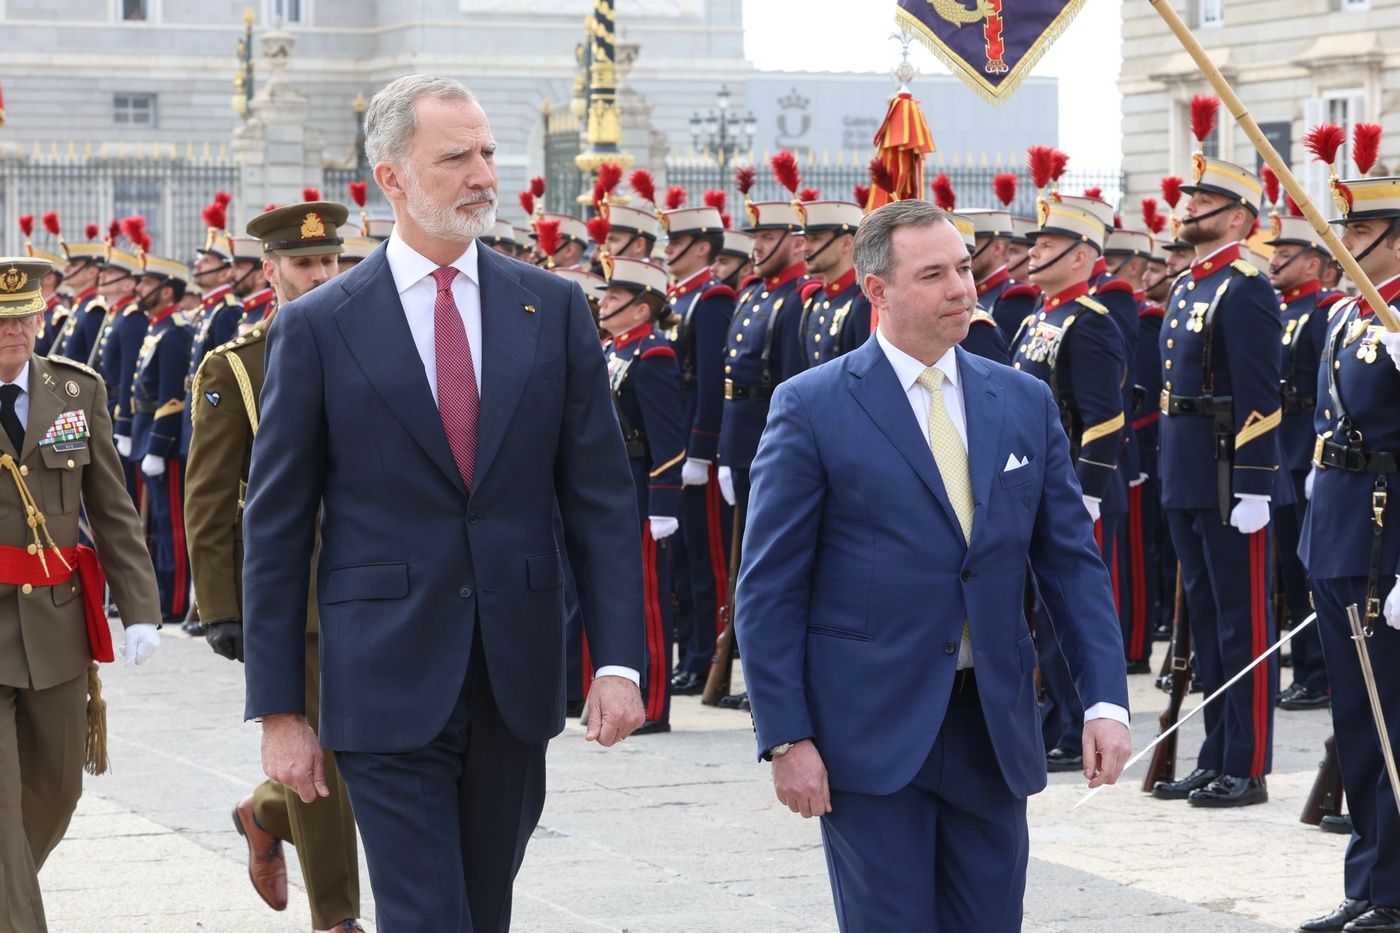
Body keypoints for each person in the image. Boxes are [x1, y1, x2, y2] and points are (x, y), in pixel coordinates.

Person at [241, 74, 646, 932]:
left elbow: (600, 498)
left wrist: (618, 659)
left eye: (489, 153)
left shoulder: (555, 308)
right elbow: (275, 526)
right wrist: (281, 709)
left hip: (516, 674)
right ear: (391, 178)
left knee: (484, 908)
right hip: (383, 679)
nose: (483, 175)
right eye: (455, 157)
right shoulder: (319, 325)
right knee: (427, 914)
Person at [734, 200, 1129, 932]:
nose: (962, 288)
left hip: (993, 727)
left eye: (966, 267)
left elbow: (1071, 565)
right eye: (935, 273)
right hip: (868, 733)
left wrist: (1104, 700)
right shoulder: (813, 406)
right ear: (877, 291)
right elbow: (768, 589)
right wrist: (787, 736)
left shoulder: (1020, 399)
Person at [185, 202, 364, 933]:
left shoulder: (378, 341)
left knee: (375, 749)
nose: (320, 275)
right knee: (320, 759)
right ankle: (338, 918)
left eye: (328, 261)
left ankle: (263, 809)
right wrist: (222, 604)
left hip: (389, 579)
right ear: (272, 271)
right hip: (303, 593)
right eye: (303, 263)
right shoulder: (237, 366)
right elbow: (209, 493)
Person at [0, 256, 162, 933]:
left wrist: (143, 608)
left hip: (58, 626)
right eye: (0, 320)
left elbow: (113, 508)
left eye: (22, 317)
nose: (12, 331)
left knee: (58, 788)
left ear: (41, 317)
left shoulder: (75, 391)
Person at [1153, 135, 1286, 808]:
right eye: (1191, 197)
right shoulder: (1192, 284)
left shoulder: (1246, 289)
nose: (1191, 206)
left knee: (1244, 622)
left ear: (1238, 216)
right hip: (1187, 470)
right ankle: (1215, 751)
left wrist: (1256, 484)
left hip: (1232, 476)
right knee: (1204, 622)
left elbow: (1264, 394)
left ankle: (1249, 760)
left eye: (1205, 199)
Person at [1297, 140, 1400, 933]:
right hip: (1336, 532)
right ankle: (1368, 878)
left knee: (1393, 715)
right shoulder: (1350, 310)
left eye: (1354, 230)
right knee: (1356, 722)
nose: (1338, 241)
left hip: (1385, 538)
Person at [1010, 198, 1128, 772]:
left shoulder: (1089, 321)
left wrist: (1087, 491)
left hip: (1071, 489)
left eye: (1047, 245)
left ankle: (1071, 720)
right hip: (1031, 487)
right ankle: (1053, 716)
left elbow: (1105, 417)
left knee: (1068, 612)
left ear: (1081, 255)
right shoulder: (1039, 318)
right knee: (1039, 611)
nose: (1033, 251)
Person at [597, 255, 685, 732]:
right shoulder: (617, 351)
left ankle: (654, 702)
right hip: (618, 487)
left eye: (613, 297)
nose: (604, 303)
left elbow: (668, 439)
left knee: (649, 597)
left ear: (640, 308)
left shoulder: (653, 355)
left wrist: (665, 502)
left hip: (644, 490)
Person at [659, 198, 734, 695]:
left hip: (693, 446)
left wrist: (703, 449)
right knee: (680, 560)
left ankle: (705, 656)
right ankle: (688, 653)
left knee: (706, 559)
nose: (668, 250)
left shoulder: (711, 298)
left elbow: (711, 382)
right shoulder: (676, 297)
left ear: (702, 246)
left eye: (676, 242)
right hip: (675, 441)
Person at [1263, 209, 1332, 712]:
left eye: (1286, 256)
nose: (1275, 263)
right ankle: (1305, 663)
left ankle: (1319, 670)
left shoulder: (1323, 311)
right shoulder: (1282, 309)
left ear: (1314, 263)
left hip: (1307, 445)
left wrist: (1315, 457)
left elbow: (1328, 391)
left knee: (1311, 570)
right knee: (1290, 569)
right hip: (1281, 449)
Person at [127, 253, 194, 626]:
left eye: (147, 284)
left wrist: (156, 445)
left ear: (166, 291)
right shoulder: (157, 328)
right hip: (145, 435)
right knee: (157, 526)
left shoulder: (176, 332)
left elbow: (172, 395)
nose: (139, 289)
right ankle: (163, 593)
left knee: (171, 525)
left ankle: (176, 597)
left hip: (163, 443)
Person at [797, 198, 870, 366]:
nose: (805, 248)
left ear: (846, 243)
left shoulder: (863, 301)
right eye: (805, 239)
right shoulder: (816, 299)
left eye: (815, 239)